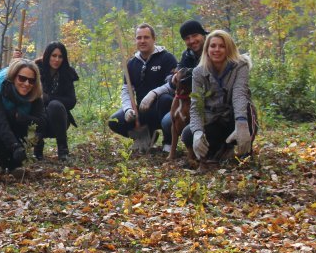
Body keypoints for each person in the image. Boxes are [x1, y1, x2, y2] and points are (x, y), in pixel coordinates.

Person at [182, 30, 257, 161]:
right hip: (213, 119)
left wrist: (241, 123)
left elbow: (239, 95)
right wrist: (198, 132)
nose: (217, 50)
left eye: (222, 46)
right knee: (188, 134)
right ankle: (223, 148)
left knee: (247, 108)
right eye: (213, 46)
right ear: (207, 49)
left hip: (234, 117)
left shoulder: (240, 66)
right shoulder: (198, 72)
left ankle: (243, 148)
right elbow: (196, 105)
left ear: (229, 48)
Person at [139, 19, 208, 152]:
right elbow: (173, 80)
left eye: (195, 36)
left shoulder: (214, 48)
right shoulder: (187, 55)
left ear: (203, 34)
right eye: (187, 38)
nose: (192, 40)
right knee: (167, 122)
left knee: (168, 105)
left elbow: (204, 73)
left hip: (210, 103)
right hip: (192, 101)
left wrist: (186, 74)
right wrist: (155, 91)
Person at [108, 23, 177, 148]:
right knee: (114, 120)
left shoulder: (167, 58)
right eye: (139, 38)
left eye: (146, 37)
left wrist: (153, 94)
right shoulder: (131, 64)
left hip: (162, 109)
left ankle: (168, 143)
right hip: (141, 111)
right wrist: (128, 109)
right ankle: (146, 137)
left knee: (166, 99)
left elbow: (173, 85)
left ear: (153, 39)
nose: (142, 41)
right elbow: (126, 90)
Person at [0, 59, 47, 172]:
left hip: (19, 130)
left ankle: (15, 163)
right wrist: (15, 146)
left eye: (31, 80)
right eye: (22, 78)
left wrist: (21, 117)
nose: (27, 84)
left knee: (34, 133)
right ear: (13, 77)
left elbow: (42, 122)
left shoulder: (35, 95)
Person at [15, 42, 78, 161]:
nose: (57, 59)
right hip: (36, 117)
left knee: (55, 106)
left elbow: (71, 101)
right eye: (54, 56)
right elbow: (18, 76)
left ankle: (63, 151)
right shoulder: (36, 68)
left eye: (60, 56)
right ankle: (37, 148)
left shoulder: (67, 73)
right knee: (33, 114)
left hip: (58, 120)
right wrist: (15, 60)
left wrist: (49, 98)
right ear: (48, 55)